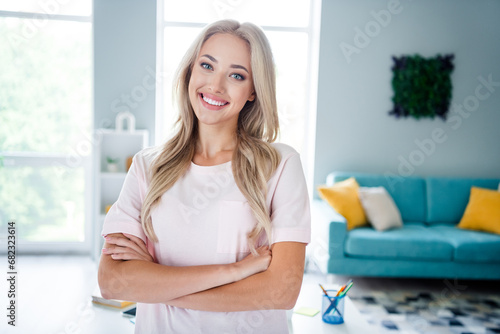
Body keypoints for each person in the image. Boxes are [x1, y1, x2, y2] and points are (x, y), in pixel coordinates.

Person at [98, 19, 311, 333]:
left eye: (236, 75)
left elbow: (281, 291)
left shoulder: (281, 164)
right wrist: (236, 271)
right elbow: (113, 283)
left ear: (253, 91)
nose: (216, 86)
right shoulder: (147, 166)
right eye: (207, 66)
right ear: (190, 72)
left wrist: (155, 281)